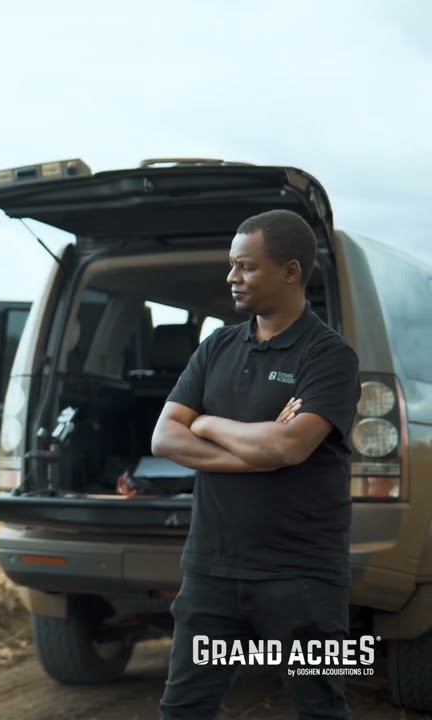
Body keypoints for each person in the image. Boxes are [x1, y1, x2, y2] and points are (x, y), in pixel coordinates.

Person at [151, 209, 362, 719]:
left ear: (291, 272)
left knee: (320, 708)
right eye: (231, 266)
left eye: (245, 266)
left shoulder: (330, 356)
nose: (231, 278)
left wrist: (206, 423)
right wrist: (259, 448)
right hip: (212, 573)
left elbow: (288, 449)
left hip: (303, 576)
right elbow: (163, 437)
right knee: (183, 709)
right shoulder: (218, 345)